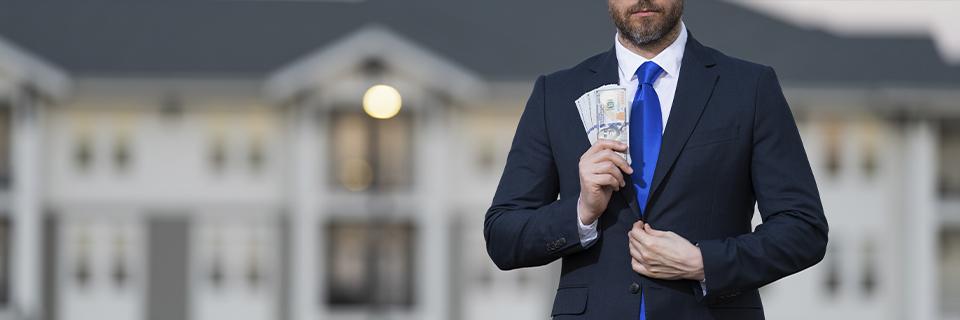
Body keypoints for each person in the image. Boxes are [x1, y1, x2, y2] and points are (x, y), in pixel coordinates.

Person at [483, 0, 829, 319]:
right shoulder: (555, 94)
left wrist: (704, 262)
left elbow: (803, 228)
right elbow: (502, 236)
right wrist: (581, 213)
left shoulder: (749, 87)